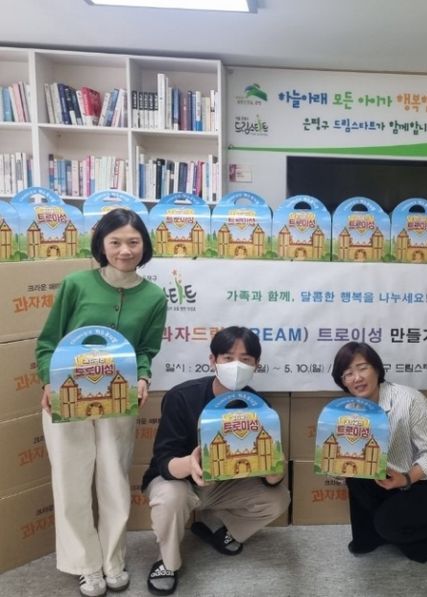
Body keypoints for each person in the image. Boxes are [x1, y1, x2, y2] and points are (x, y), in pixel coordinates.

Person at [36, 209, 167, 597]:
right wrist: (49, 381)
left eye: (133, 242)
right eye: (116, 242)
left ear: (144, 245)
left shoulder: (154, 296)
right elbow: (48, 342)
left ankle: (113, 560)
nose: (125, 250)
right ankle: (85, 566)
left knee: (114, 480)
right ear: (101, 245)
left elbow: (146, 350)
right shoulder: (76, 285)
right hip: (68, 397)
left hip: (118, 399)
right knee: (71, 480)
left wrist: (142, 376)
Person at [142, 326, 290, 596]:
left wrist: (275, 471)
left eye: (245, 359)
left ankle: (221, 529)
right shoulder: (181, 396)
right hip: (180, 482)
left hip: (224, 486)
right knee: (171, 497)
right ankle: (167, 562)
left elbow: (268, 479)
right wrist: (190, 464)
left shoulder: (259, 406)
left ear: (256, 365)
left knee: (278, 498)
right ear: (213, 360)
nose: (236, 366)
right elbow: (163, 460)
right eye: (228, 358)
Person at [331, 341, 427, 563]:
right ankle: (370, 535)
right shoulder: (351, 412)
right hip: (397, 477)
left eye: (362, 368)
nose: (356, 378)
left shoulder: (408, 400)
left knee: (411, 543)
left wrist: (406, 479)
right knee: (356, 474)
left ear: (377, 369)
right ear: (343, 382)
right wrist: (340, 468)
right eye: (348, 374)